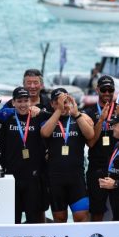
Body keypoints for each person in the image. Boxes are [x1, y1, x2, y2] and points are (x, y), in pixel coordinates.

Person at [40, 88, 94, 222]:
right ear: (52, 104)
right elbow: (45, 133)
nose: (62, 105)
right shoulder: (48, 120)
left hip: (76, 178)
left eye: (65, 102)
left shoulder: (78, 118)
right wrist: (58, 110)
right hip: (55, 179)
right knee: (60, 219)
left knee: (82, 217)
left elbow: (90, 135)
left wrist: (77, 114)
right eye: (58, 102)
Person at [0, 87, 47, 223]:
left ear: (30, 101)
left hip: (33, 176)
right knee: (13, 219)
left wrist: (41, 111)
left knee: (33, 218)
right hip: (12, 176)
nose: (23, 104)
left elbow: (58, 116)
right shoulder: (6, 116)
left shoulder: (38, 116)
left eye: (26, 101)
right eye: (19, 101)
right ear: (13, 102)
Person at [84, 75, 119, 221]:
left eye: (110, 90)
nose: (107, 93)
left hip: (118, 167)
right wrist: (101, 120)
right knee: (97, 211)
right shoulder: (88, 112)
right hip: (97, 167)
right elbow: (91, 143)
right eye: (104, 89)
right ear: (97, 90)